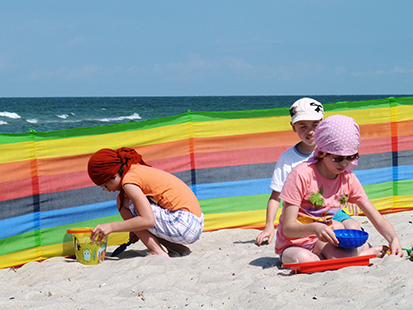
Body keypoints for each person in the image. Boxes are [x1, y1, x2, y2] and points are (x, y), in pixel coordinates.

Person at [275, 115, 403, 264]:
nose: (344, 163)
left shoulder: (348, 179)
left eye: (350, 157)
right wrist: (315, 228)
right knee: (303, 259)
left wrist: (394, 239)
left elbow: (376, 217)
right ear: (322, 152)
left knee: (340, 253)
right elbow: (288, 228)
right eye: (337, 158)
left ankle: (342, 258)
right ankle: (361, 255)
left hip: (323, 239)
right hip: (294, 243)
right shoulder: (301, 175)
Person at [256, 98, 360, 246]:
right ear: (293, 127)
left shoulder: (332, 151)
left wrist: (350, 198)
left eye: (315, 125)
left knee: (353, 227)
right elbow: (275, 196)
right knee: (324, 237)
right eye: (303, 126)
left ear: (323, 124)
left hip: (332, 211)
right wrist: (268, 226)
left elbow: (345, 177)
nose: (310, 131)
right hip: (304, 216)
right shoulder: (287, 159)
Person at [87, 147, 204, 257]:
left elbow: (148, 220)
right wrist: (137, 230)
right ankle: (176, 248)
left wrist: (110, 226)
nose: (108, 190)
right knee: (135, 210)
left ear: (113, 175)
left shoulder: (128, 182)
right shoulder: (135, 171)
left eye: (106, 186)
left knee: (122, 202)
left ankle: (156, 251)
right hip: (194, 223)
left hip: (183, 224)